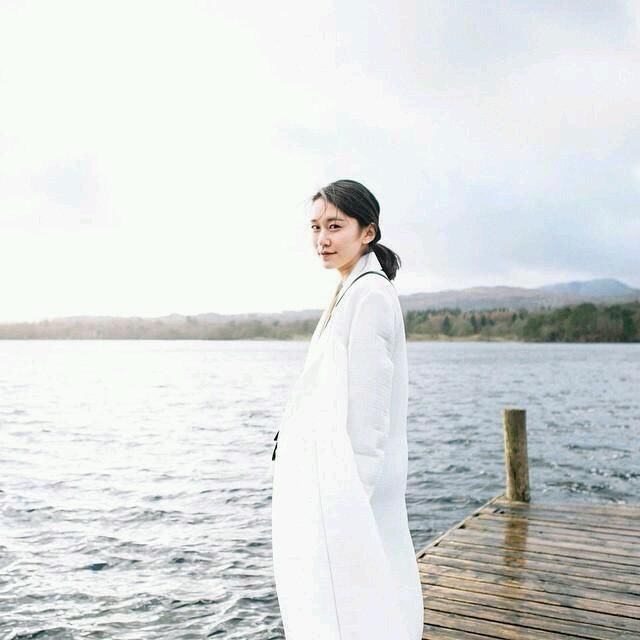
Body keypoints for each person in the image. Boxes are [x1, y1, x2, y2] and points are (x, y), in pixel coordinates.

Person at [271, 179, 424, 639]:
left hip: (356, 478)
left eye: (335, 226)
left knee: (356, 590)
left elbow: (370, 407)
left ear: (367, 232)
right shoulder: (350, 288)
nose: (322, 238)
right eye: (315, 227)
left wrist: (349, 495)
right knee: (372, 583)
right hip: (345, 475)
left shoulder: (370, 295)